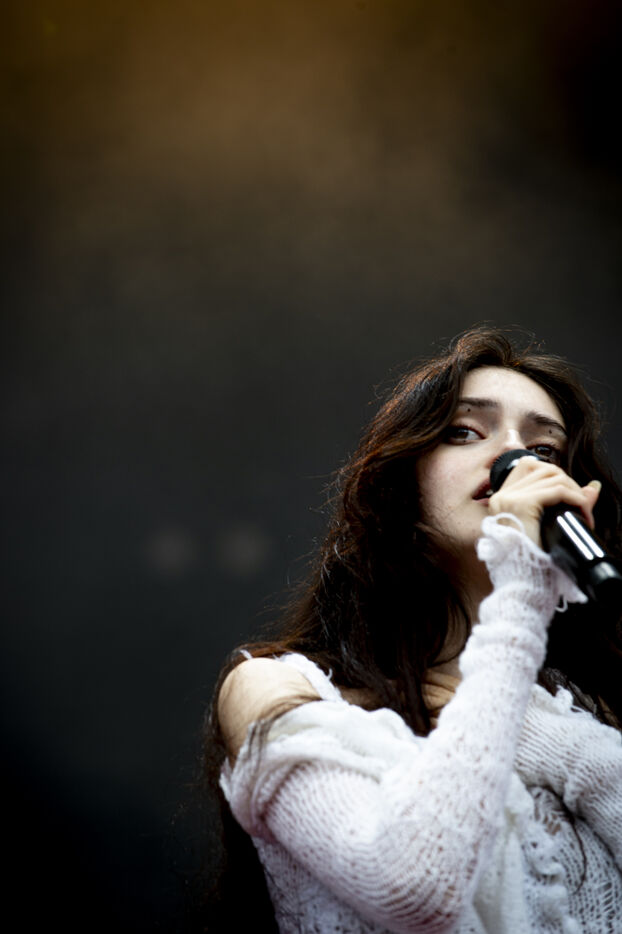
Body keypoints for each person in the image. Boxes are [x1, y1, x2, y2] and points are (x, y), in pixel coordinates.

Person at [205, 327, 622, 933]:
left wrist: (548, 730)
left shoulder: (581, 714)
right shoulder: (279, 688)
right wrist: (520, 590)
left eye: (546, 450)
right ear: (402, 481)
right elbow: (412, 886)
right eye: (465, 431)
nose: (516, 458)